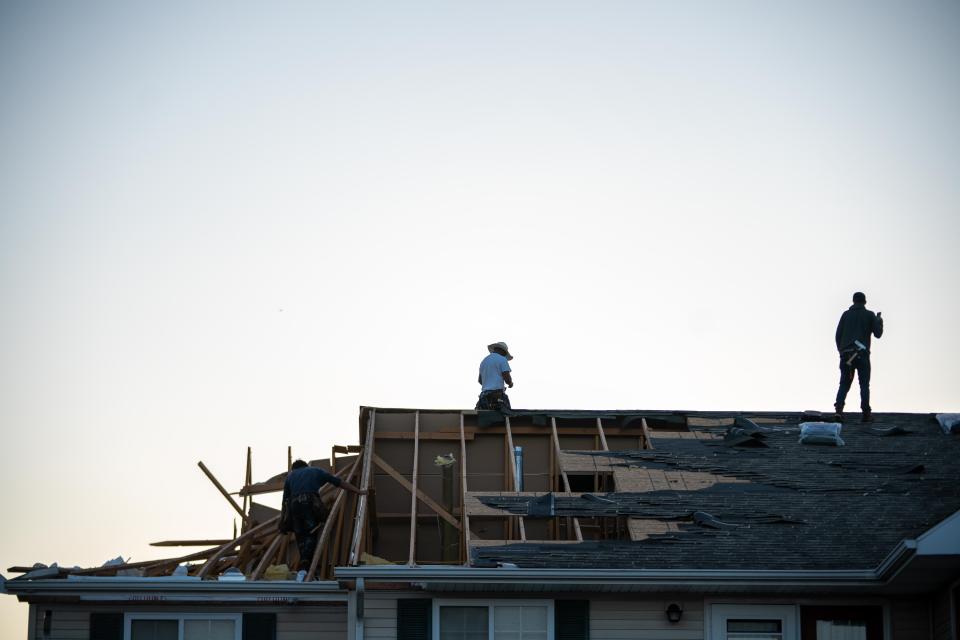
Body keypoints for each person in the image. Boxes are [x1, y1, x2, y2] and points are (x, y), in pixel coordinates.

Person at [281, 459, 366, 581]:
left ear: (294, 468)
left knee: (301, 536)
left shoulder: (291, 476)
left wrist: (282, 522)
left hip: (294, 506)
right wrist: (358, 491)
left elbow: (284, 502)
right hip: (310, 502)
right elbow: (339, 482)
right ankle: (304, 569)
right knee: (312, 532)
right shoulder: (316, 470)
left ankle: (305, 569)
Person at [834, 292, 884, 422]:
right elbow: (878, 334)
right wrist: (879, 321)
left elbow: (838, 335)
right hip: (862, 355)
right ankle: (866, 413)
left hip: (846, 356)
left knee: (844, 383)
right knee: (864, 384)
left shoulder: (846, 315)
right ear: (865, 302)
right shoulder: (869, 315)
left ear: (853, 301)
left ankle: (838, 410)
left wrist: (841, 350)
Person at [476, 341, 513, 411]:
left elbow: (480, 380)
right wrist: (510, 384)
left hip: (484, 395)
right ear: (503, 351)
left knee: (486, 416)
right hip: (497, 396)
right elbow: (506, 377)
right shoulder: (502, 359)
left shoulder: (484, 361)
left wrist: (489, 384)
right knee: (506, 415)